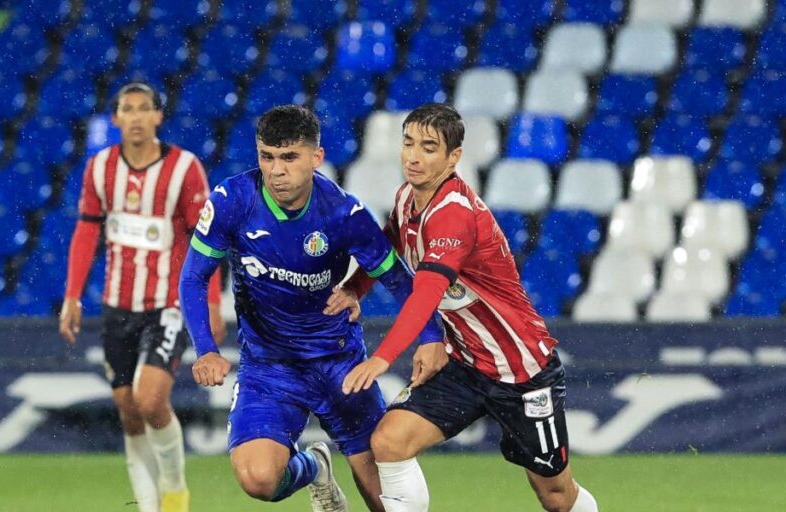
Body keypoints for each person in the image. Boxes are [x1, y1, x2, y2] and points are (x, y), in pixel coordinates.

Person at [332, 103, 599, 512]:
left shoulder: (454, 215)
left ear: (453, 157)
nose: (414, 156)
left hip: (521, 370)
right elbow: (388, 248)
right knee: (388, 441)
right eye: (408, 144)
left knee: (556, 497)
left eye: (428, 147)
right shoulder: (407, 197)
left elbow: (425, 294)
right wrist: (355, 288)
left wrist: (383, 358)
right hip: (465, 364)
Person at [179, 105, 445, 512]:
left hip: (337, 362)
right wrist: (206, 349)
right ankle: (314, 468)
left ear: (316, 158)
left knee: (387, 501)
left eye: (289, 157)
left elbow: (399, 279)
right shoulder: (233, 200)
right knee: (258, 479)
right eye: (267, 156)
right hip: (270, 367)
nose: (276, 170)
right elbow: (193, 277)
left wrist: (430, 337)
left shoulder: (343, 213)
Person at [59, 82, 224, 512]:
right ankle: (150, 507)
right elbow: (86, 230)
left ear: (158, 116)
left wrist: (209, 301)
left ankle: (174, 490)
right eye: (126, 109)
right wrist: (72, 296)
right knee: (128, 409)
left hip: (168, 304)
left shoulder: (185, 168)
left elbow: (204, 238)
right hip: (117, 305)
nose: (134, 117)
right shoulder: (99, 168)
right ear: (114, 119)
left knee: (150, 399)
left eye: (143, 109)